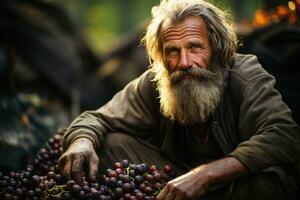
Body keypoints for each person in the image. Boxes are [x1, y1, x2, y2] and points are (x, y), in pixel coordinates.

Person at [58, 0, 300, 199]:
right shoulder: (158, 81)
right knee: (110, 142)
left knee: (265, 182)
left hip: (236, 188)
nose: (184, 63)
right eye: (172, 51)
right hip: (180, 184)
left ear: (216, 48)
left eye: (195, 47)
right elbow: (97, 118)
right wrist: (82, 140)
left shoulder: (244, 74)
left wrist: (204, 175)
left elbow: (283, 134)